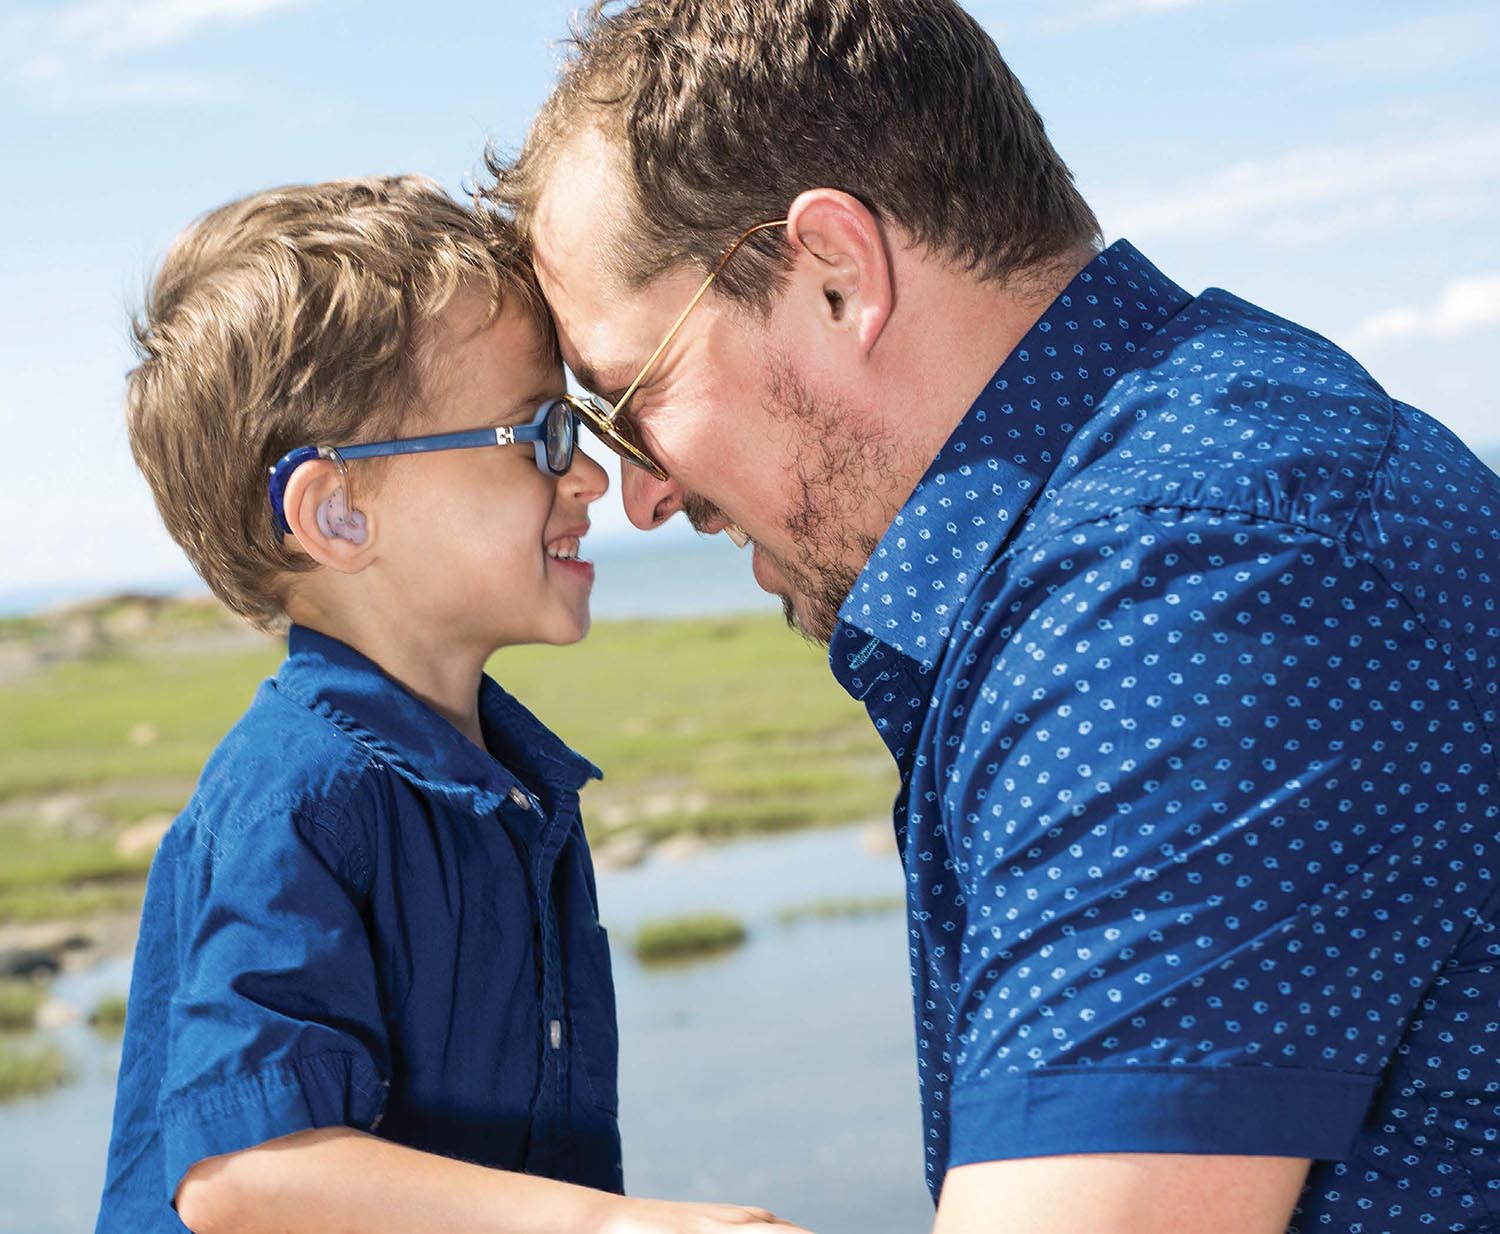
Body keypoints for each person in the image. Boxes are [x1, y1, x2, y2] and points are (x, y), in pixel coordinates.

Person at [484, 2, 1500, 1231]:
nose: (640, 492)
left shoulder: (1177, 602)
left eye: (627, 396)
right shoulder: (1190, 485)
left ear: (836, 279)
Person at [96, 175, 806, 1234]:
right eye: (538, 435)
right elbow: (247, 1173)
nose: (591, 482)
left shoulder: (509, 785)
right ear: (337, 511)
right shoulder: (298, 793)